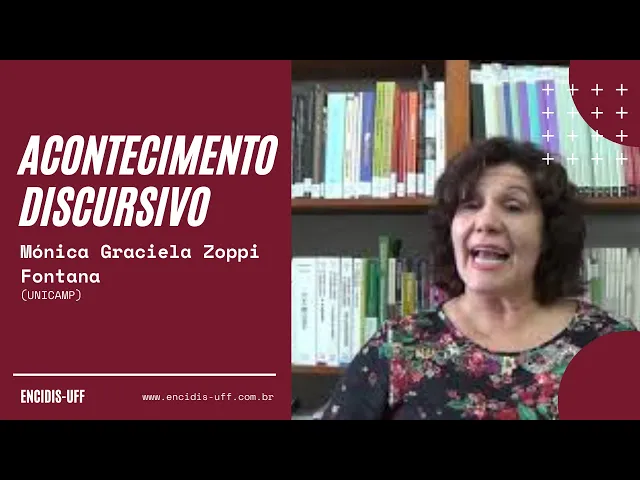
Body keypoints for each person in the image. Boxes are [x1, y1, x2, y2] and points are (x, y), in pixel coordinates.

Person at [321, 136, 636, 420]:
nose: (485, 222)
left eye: (513, 207)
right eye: (470, 205)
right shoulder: (398, 346)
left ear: (549, 233)